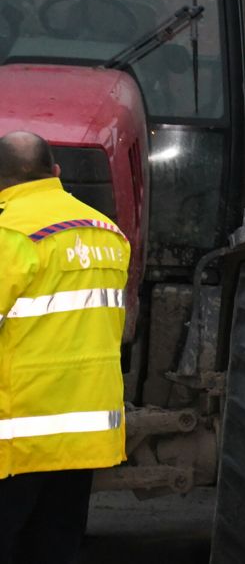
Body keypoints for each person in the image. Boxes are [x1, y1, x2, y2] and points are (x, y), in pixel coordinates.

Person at [0, 131, 130, 562]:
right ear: (55, 173)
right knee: (56, 545)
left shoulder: (9, 234)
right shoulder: (109, 233)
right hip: (82, 435)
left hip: (17, 436)